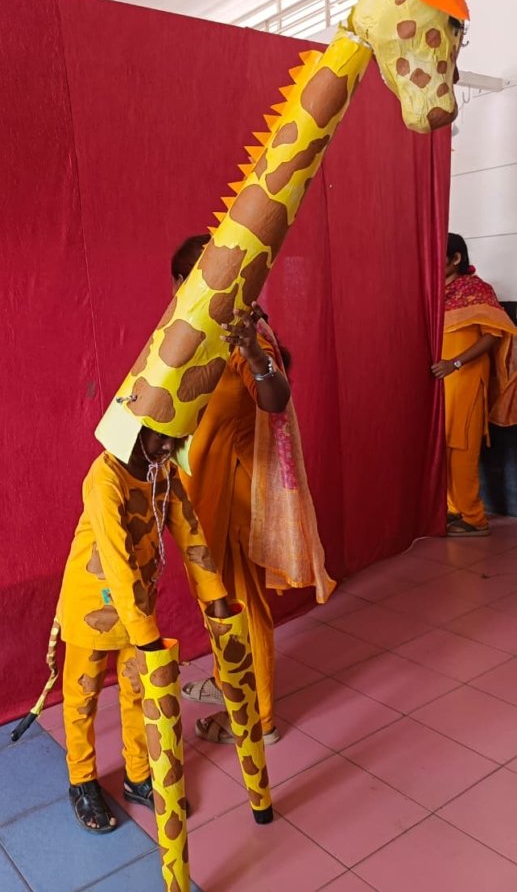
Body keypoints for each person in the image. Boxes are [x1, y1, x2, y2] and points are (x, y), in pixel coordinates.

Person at [171, 234, 334, 746]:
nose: (210, 282)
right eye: (199, 275)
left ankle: (259, 719)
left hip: (238, 497)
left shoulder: (243, 331)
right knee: (216, 600)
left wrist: (251, 352)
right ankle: (229, 683)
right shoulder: (189, 330)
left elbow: (275, 398)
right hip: (202, 493)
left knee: (241, 604)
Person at [56, 424, 230, 833]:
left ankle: (138, 775)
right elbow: (116, 562)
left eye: (176, 437)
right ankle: (82, 780)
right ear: (134, 428)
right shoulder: (105, 477)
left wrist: (215, 595)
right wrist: (146, 636)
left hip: (139, 610)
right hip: (92, 609)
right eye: (161, 435)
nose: (170, 445)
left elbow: (189, 530)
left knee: (138, 691)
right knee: (82, 697)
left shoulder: (163, 471)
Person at [432, 233, 517, 536]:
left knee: (462, 447)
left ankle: (475, 518)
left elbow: (494, 335)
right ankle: (454, 508)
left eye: (439, 256)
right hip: (439, 381)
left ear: (456, 258)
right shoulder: (436, 293)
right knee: (442, 446)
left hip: (465, 378)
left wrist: (454, 363)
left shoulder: (477, 290)